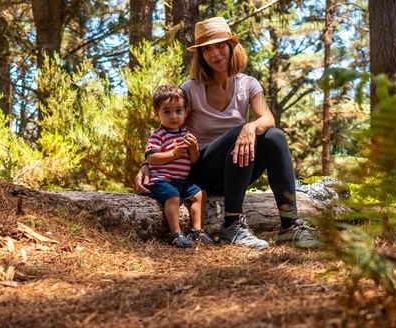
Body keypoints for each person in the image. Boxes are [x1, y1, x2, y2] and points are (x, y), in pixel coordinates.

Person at [136, 17, 319, 249]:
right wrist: (147, 165)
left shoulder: (249, 84)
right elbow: (168, 125)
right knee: (237, 133)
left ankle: (290, 226)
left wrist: (250, 126)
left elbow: (267, 118)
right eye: (207, 49)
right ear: (201, 56)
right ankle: (232, 225)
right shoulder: (190, 89)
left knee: (275, 136)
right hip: (203, 171)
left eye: (220, 45)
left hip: (238, 173)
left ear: (232, 46)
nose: (215, 53)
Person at [143, 84, 214, 248]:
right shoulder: (158, 135)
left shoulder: (186, 134)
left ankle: (197, 230)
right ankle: (175, 233)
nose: (173, 116)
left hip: (182, 180)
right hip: (162, 180)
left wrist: (194, 149)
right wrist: (173, 154)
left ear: (185, 112)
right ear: (157, 114)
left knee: (200, 194)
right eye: (167, 112)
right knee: (173, 197)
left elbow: (194, 160)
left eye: (178, 111)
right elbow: (152, 158)